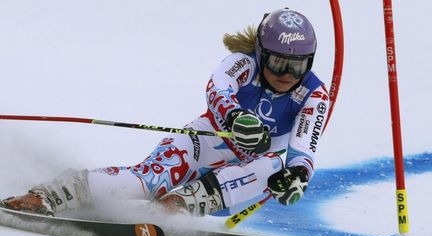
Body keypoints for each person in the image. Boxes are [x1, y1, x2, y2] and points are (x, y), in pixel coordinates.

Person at [2, 8, 329, 217]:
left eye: (298, 65)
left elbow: (304, 151)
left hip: (240, 180)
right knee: (149, 178)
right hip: (206, 140)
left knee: (273, 164)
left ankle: (173, 209)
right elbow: (218, 89)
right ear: (261, 53)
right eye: (277, 62)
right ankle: (51, 194)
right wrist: (233, 117)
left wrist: (297, 178)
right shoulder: (244, 64)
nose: (286, 73)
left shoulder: (313, 94)